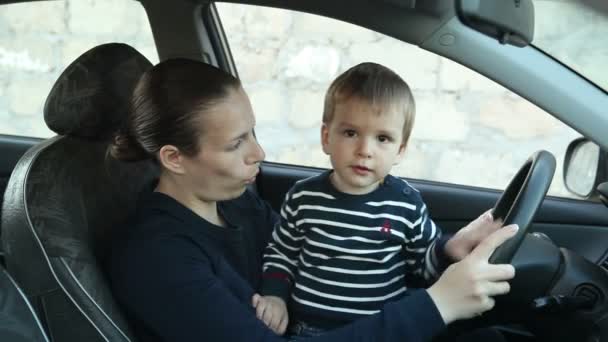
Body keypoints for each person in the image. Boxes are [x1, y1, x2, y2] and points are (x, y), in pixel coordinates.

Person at [106, 58, 518, 342]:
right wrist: (436, 306)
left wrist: (446, 253)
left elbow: (312, 259)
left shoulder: (234, 202)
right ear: (175, 158)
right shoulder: (157, 258)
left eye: (253, 132)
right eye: (236, 144)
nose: (259, 154)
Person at [254, 62, 511, 339]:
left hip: (384, 331)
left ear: (400, 150)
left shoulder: (405, 203)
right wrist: (275, 296)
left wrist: (450, 248)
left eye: (383, 138)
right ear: (326, 137)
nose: (365, 150)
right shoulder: (303, 197)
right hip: (310, 331)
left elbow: (423, 265)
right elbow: (282, 254)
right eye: (350, 133)